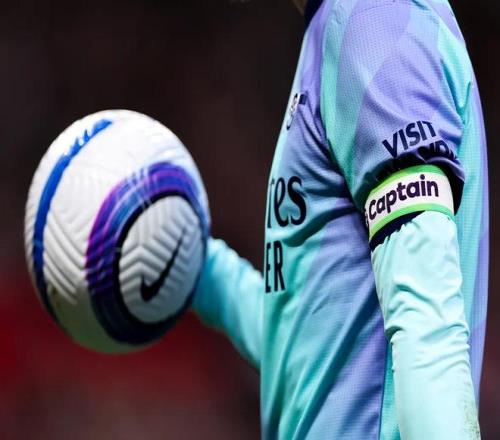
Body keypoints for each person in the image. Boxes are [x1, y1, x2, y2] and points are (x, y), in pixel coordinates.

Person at [192, 0, 489, 438]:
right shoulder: (339, 24)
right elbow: (316, 345)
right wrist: (205, 274)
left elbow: (429, 333)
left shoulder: (373, 20)